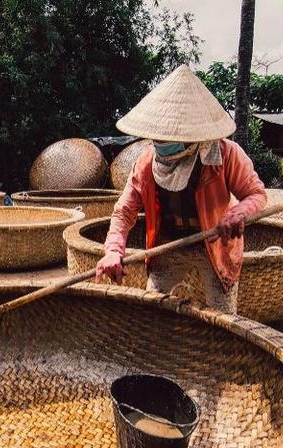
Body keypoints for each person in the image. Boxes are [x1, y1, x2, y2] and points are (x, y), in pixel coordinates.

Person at [95, 65, 267, 313]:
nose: (162, 143)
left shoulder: (225, 155)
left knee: (222, 317)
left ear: (191, 137)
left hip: (214, 245)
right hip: (167, 244)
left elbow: (256, 194)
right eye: (159, 138)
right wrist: (112, 250)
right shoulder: (146, 163)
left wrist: (240, 212)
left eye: (170, 138)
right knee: (155, 308)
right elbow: (124, 212)